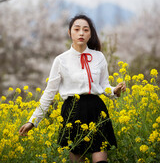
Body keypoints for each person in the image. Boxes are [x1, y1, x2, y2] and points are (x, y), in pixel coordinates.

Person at [19, 14, 126, 163]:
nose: (81, 33)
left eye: (85, 30)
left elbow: (103, 86)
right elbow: (49, 93)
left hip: (96, 110)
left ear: (90, 34)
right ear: (70, 33)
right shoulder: (61, 60)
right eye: (77, 29)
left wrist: (115, 90)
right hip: (72, 112)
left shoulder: (99, 56)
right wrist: (33, 121)